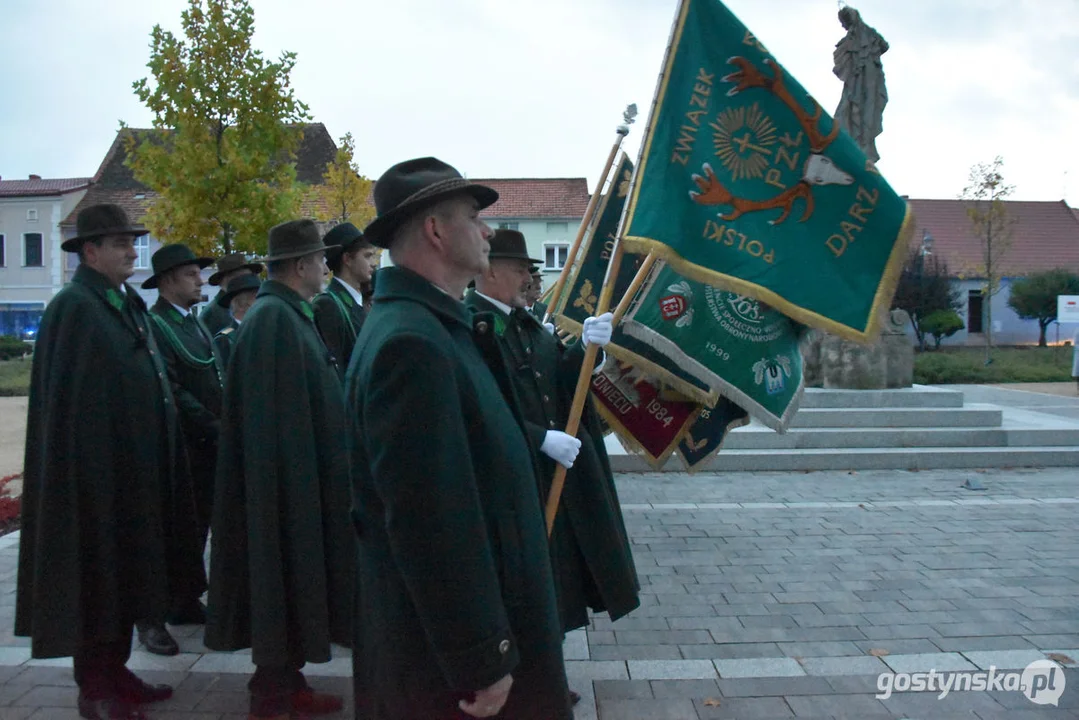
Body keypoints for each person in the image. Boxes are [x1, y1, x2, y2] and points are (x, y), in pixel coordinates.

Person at [346, 157, 572, 719]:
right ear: (436, 230)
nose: (489, 231)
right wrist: (482, 656)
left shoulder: (430, 325)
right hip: (449, 667)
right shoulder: (412, 344)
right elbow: (430, 520)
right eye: (475, 217)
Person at [16, 204, 203, 720]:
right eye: (120, 244)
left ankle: (117, 671)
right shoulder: (74, 308)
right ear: (89, 251)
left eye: (132, 242)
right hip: (93, 482)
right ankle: (94, 687)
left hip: (133, 477)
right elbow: (67, 407)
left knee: (127, 579)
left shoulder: (123, 302)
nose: (130, 251)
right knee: (95, 582)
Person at [466, 230, 640, 675]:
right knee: (517, 583)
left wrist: (587, 350)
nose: (529, 278)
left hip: (547, 477)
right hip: (508, 480)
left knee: (552, 579)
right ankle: (523, 676)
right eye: (521, 269)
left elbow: (561, 380)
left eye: (530, 270)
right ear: (488, 271)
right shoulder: (470, 325)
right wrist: (536, 437)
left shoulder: (524, 321)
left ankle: (544, 671)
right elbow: (473, 408)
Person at [205, 219, 354, 720]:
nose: (325, 266)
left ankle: (286, 684)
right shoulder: (273, 319)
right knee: (277, 584)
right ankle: (271, 697)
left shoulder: (289, 313)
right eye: (319, 259)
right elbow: (270, 423)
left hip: (298, 482)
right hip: (282, 490)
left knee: (290, 587)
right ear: (298, 266)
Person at [142, 244, 222, 652]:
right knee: (170, 529)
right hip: (181, 445)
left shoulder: (193, 322)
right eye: (192, 274)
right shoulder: (157, 324)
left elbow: (212, 374)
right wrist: (212, 424)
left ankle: (186, 599)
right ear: (169, 279)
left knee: (197, 525)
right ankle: (154, 613)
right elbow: (171, 387)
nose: (200, 281)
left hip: (206, 445)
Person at [314, 222, 378, 377]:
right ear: (347, 259)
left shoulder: (358, 302)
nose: (373, 263)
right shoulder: (328, 304)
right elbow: (335, 372)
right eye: (367, 256)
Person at [833, 5, 889, 163]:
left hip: (869, 77)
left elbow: (884, 45)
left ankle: (864, 145)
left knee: (865, 108)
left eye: (844, 23)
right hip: (855, 82)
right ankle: (858, 144)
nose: (843, 26)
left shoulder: (866, 35)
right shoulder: (852, 40)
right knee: (851, 108)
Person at [200, 252, 265, 335]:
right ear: (222, 282)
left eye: (249, 276)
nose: (247, 281)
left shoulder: (262, 303)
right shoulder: (211, 314)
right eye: (240, 277)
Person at [213, 274, 261, 371]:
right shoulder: (225, 339)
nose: (263, 303)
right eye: (257, 298)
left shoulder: (263, 332)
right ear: (241, 305)